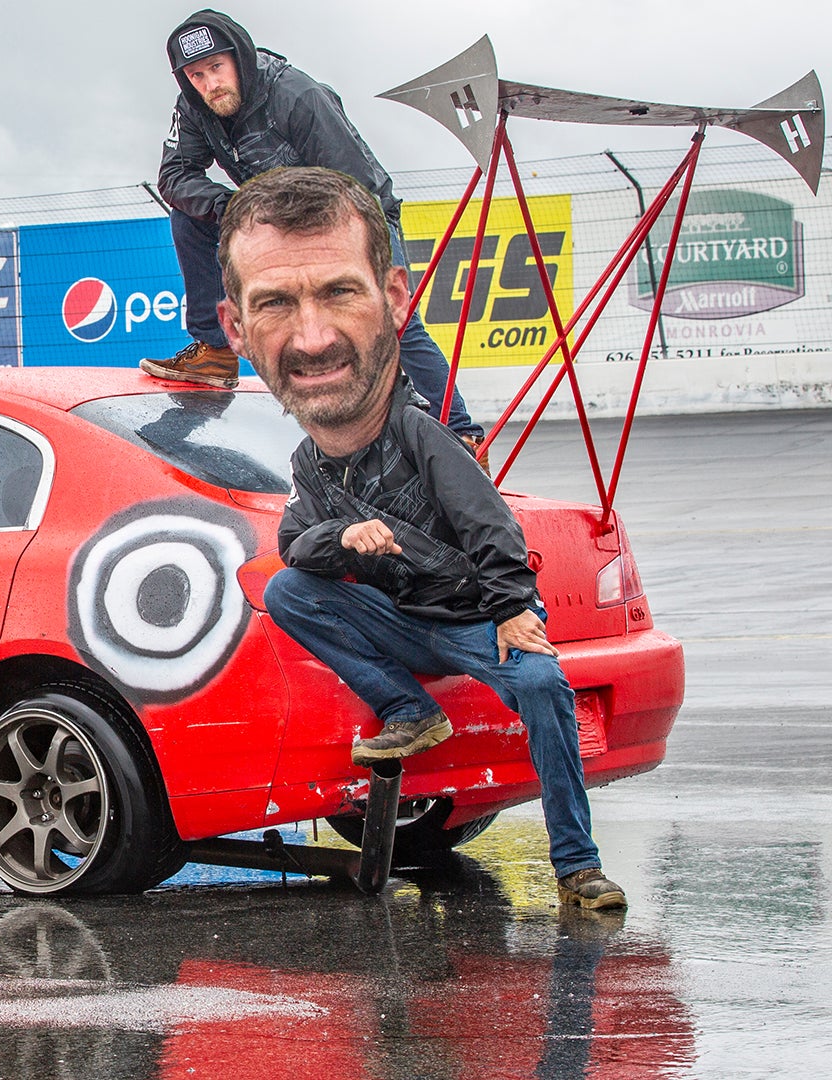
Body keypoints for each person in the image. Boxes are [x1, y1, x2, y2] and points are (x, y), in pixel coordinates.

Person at [218, 166, 625, 910]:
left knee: (542, 685)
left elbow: (490, 523)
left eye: (338, 291)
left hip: (469, 621)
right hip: (400, 627)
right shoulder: (311, 461)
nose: (311, 333)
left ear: (393, 300)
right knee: (286, 588)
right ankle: (408, 710)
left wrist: (511, 610)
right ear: (238, 327)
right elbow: (296, 543)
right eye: (277, 302)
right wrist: (347, 535)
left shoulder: (419, 431)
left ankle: (578, 868)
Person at [145, 9, 486, 458]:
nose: (210, 85)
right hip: (276, 215)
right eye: (196, 75)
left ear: (240, 60)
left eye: (216, 69)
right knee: (188, 216)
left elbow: (353, 182)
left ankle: (462, 433)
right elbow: (174, 175)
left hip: (355, 210)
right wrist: (233, 206)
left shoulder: (295, 94)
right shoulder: (192, 106)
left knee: (393, 318)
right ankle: (214, 350)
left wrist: (303, 233)